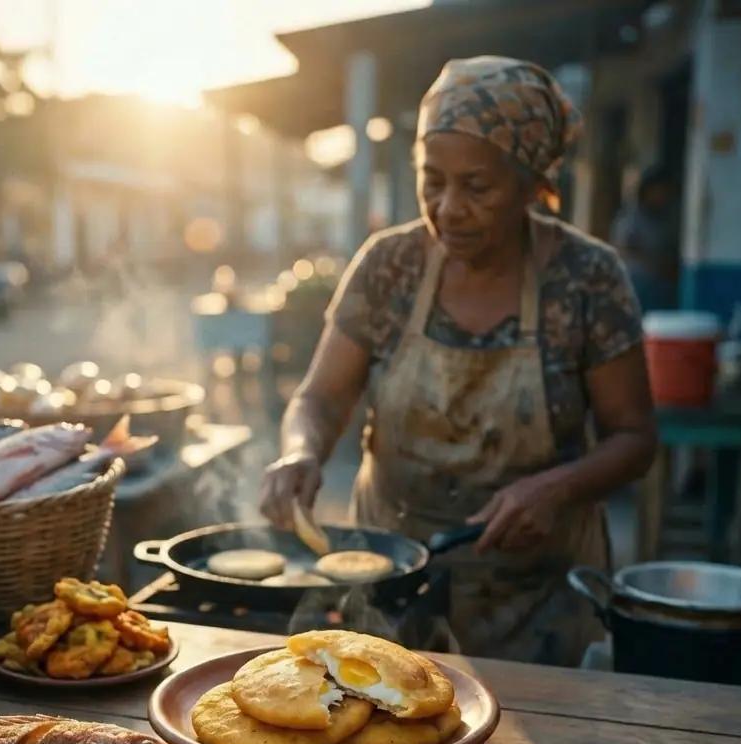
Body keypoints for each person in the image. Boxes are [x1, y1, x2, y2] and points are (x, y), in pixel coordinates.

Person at [260, 57, 657, 667]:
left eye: (476, 187)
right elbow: (321, 397)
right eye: (432, 180)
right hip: (392, 585)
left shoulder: (587, 278)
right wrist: (301, 450)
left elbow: (633, 438)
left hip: (537, 599)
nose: (447, 208)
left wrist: (556, 487)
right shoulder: (390, 266)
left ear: (531, 184)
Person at [611, 166, 680, 312]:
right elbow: (623, 249)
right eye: (659, 191)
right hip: (634, 285)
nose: (662, 196)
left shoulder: (665, 219)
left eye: (666, 192)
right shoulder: (630, 217)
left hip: (659, 287)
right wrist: (653, 262)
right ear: (647, 190)